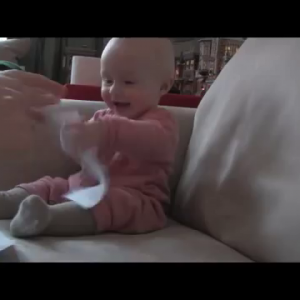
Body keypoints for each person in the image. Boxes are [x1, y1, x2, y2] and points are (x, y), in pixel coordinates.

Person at [0, 38, 179, 238]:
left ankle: (44, 218)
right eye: (107, 81)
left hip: (137, 200)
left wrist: (104, 132)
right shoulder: (102, 117)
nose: (114, 90)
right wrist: (75, 141)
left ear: (164, 86)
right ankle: (8, 201)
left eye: (128, 82)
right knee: (51, 184)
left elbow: (152, 142)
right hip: (84, 186)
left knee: (113, 202)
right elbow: (84, 158)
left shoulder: (162, 122)